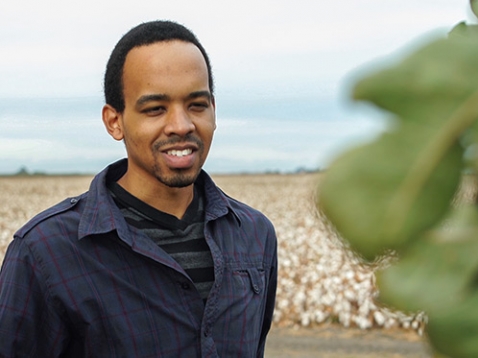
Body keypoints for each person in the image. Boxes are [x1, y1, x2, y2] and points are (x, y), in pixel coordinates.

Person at [0, 20, 277, 357]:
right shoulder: (45, 252)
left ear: (214, 111)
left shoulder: (253, 234)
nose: (181, 125)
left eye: (197, 105)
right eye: (155, 109)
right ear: (114, 121)